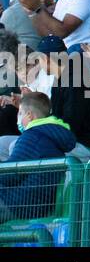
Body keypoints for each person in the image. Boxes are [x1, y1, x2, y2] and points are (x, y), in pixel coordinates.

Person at [0, 92, 77, 223]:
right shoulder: (50, 136)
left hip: (19, 204)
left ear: (29, 115)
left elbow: (10, 174)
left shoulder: (32, 137)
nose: (18, 118)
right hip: (35, 203)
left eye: (20, 113)